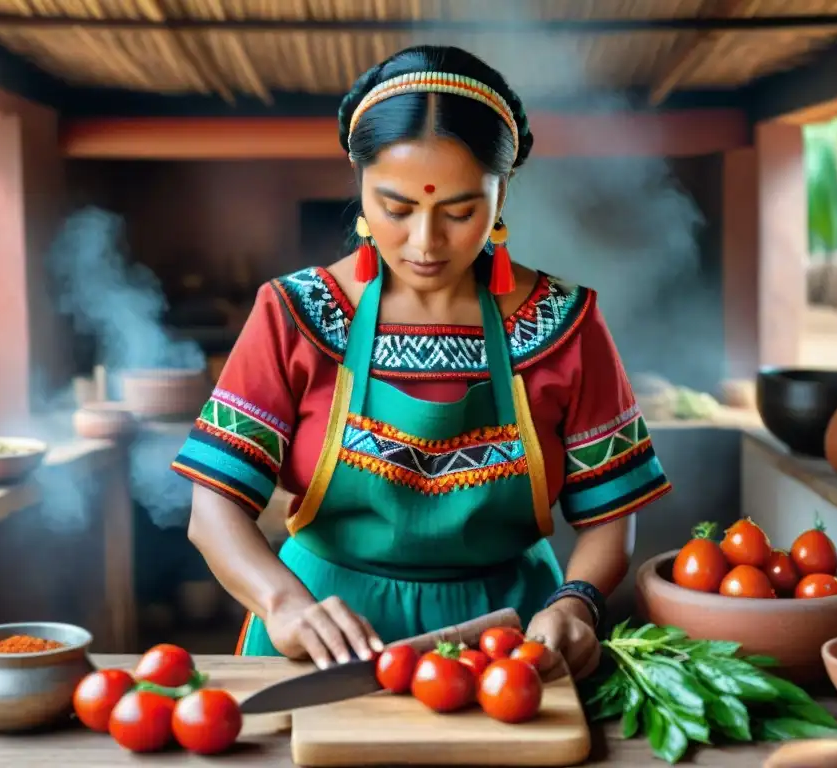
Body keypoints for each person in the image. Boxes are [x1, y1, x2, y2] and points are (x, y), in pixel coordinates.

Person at [172, 45, 671, 681]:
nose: (425, 243)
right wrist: (283, 603)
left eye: (460, 211)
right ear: (358, 185)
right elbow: (212, 507)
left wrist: (578, 601)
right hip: (322, 641)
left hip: (510, 646)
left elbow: (609, 517)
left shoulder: (567, 325)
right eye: (397, 208)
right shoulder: (293, 315)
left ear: (504, 187)